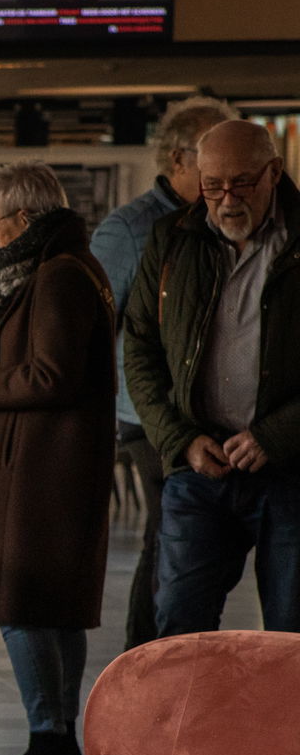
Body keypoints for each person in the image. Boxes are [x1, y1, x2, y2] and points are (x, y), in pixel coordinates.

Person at [0, 162, 116, 755]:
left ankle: (49, 738)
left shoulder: (58, 276)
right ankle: (55, 739)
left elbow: (52, 375)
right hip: (49, 465)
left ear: (24, 218)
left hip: (41, 470)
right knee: (55, 608)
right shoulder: (68, 268)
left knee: (21, 604)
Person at [125, 119, 300, 638]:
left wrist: (276, 435)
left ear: (274, 172)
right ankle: (187, 723)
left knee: (290, 634)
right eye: (212, 185)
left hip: (291, 470)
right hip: (201, 469)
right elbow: (140, 349)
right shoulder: (172, 239)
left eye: (242, 183)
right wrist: (179, 439)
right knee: (179, 624)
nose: (226, 200)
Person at [89, 97, 237, 651]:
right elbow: (96, 329)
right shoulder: (130, 231)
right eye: (212, 160)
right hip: (148, 417)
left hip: (209, 412)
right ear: (179, 160)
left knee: (187, 546)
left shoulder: (226, 222)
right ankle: (146, 664)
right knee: (167, 542)